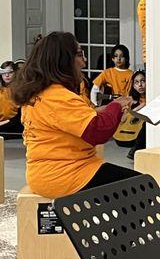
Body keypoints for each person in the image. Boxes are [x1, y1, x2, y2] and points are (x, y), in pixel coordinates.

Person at [10, 32, 139, 199]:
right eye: (79, 54)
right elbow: (98, 131)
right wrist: (116, 105)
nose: (84, 61)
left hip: (52, 171)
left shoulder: (43, 91)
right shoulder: (57, 96)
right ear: (63, 61)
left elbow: (77, 117)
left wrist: (108, 110)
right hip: (65, 174)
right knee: (141, 187)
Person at [125, 70, 146, 160]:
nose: (140, 85)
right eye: (136, 82)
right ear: (133, 86)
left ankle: (135, 149)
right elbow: (125, 115)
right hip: (130, 133)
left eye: (143, 81)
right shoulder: (132, 99)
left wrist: (144, 104)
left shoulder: (151, 95)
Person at [0, 61, 23, 138]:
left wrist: (5, 122)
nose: (7, 75)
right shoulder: (1, 91)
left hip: (16, 125)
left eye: (10, 72)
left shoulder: (20, 90)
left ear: (15, 73)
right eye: (4, 73)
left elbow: (21, 114)